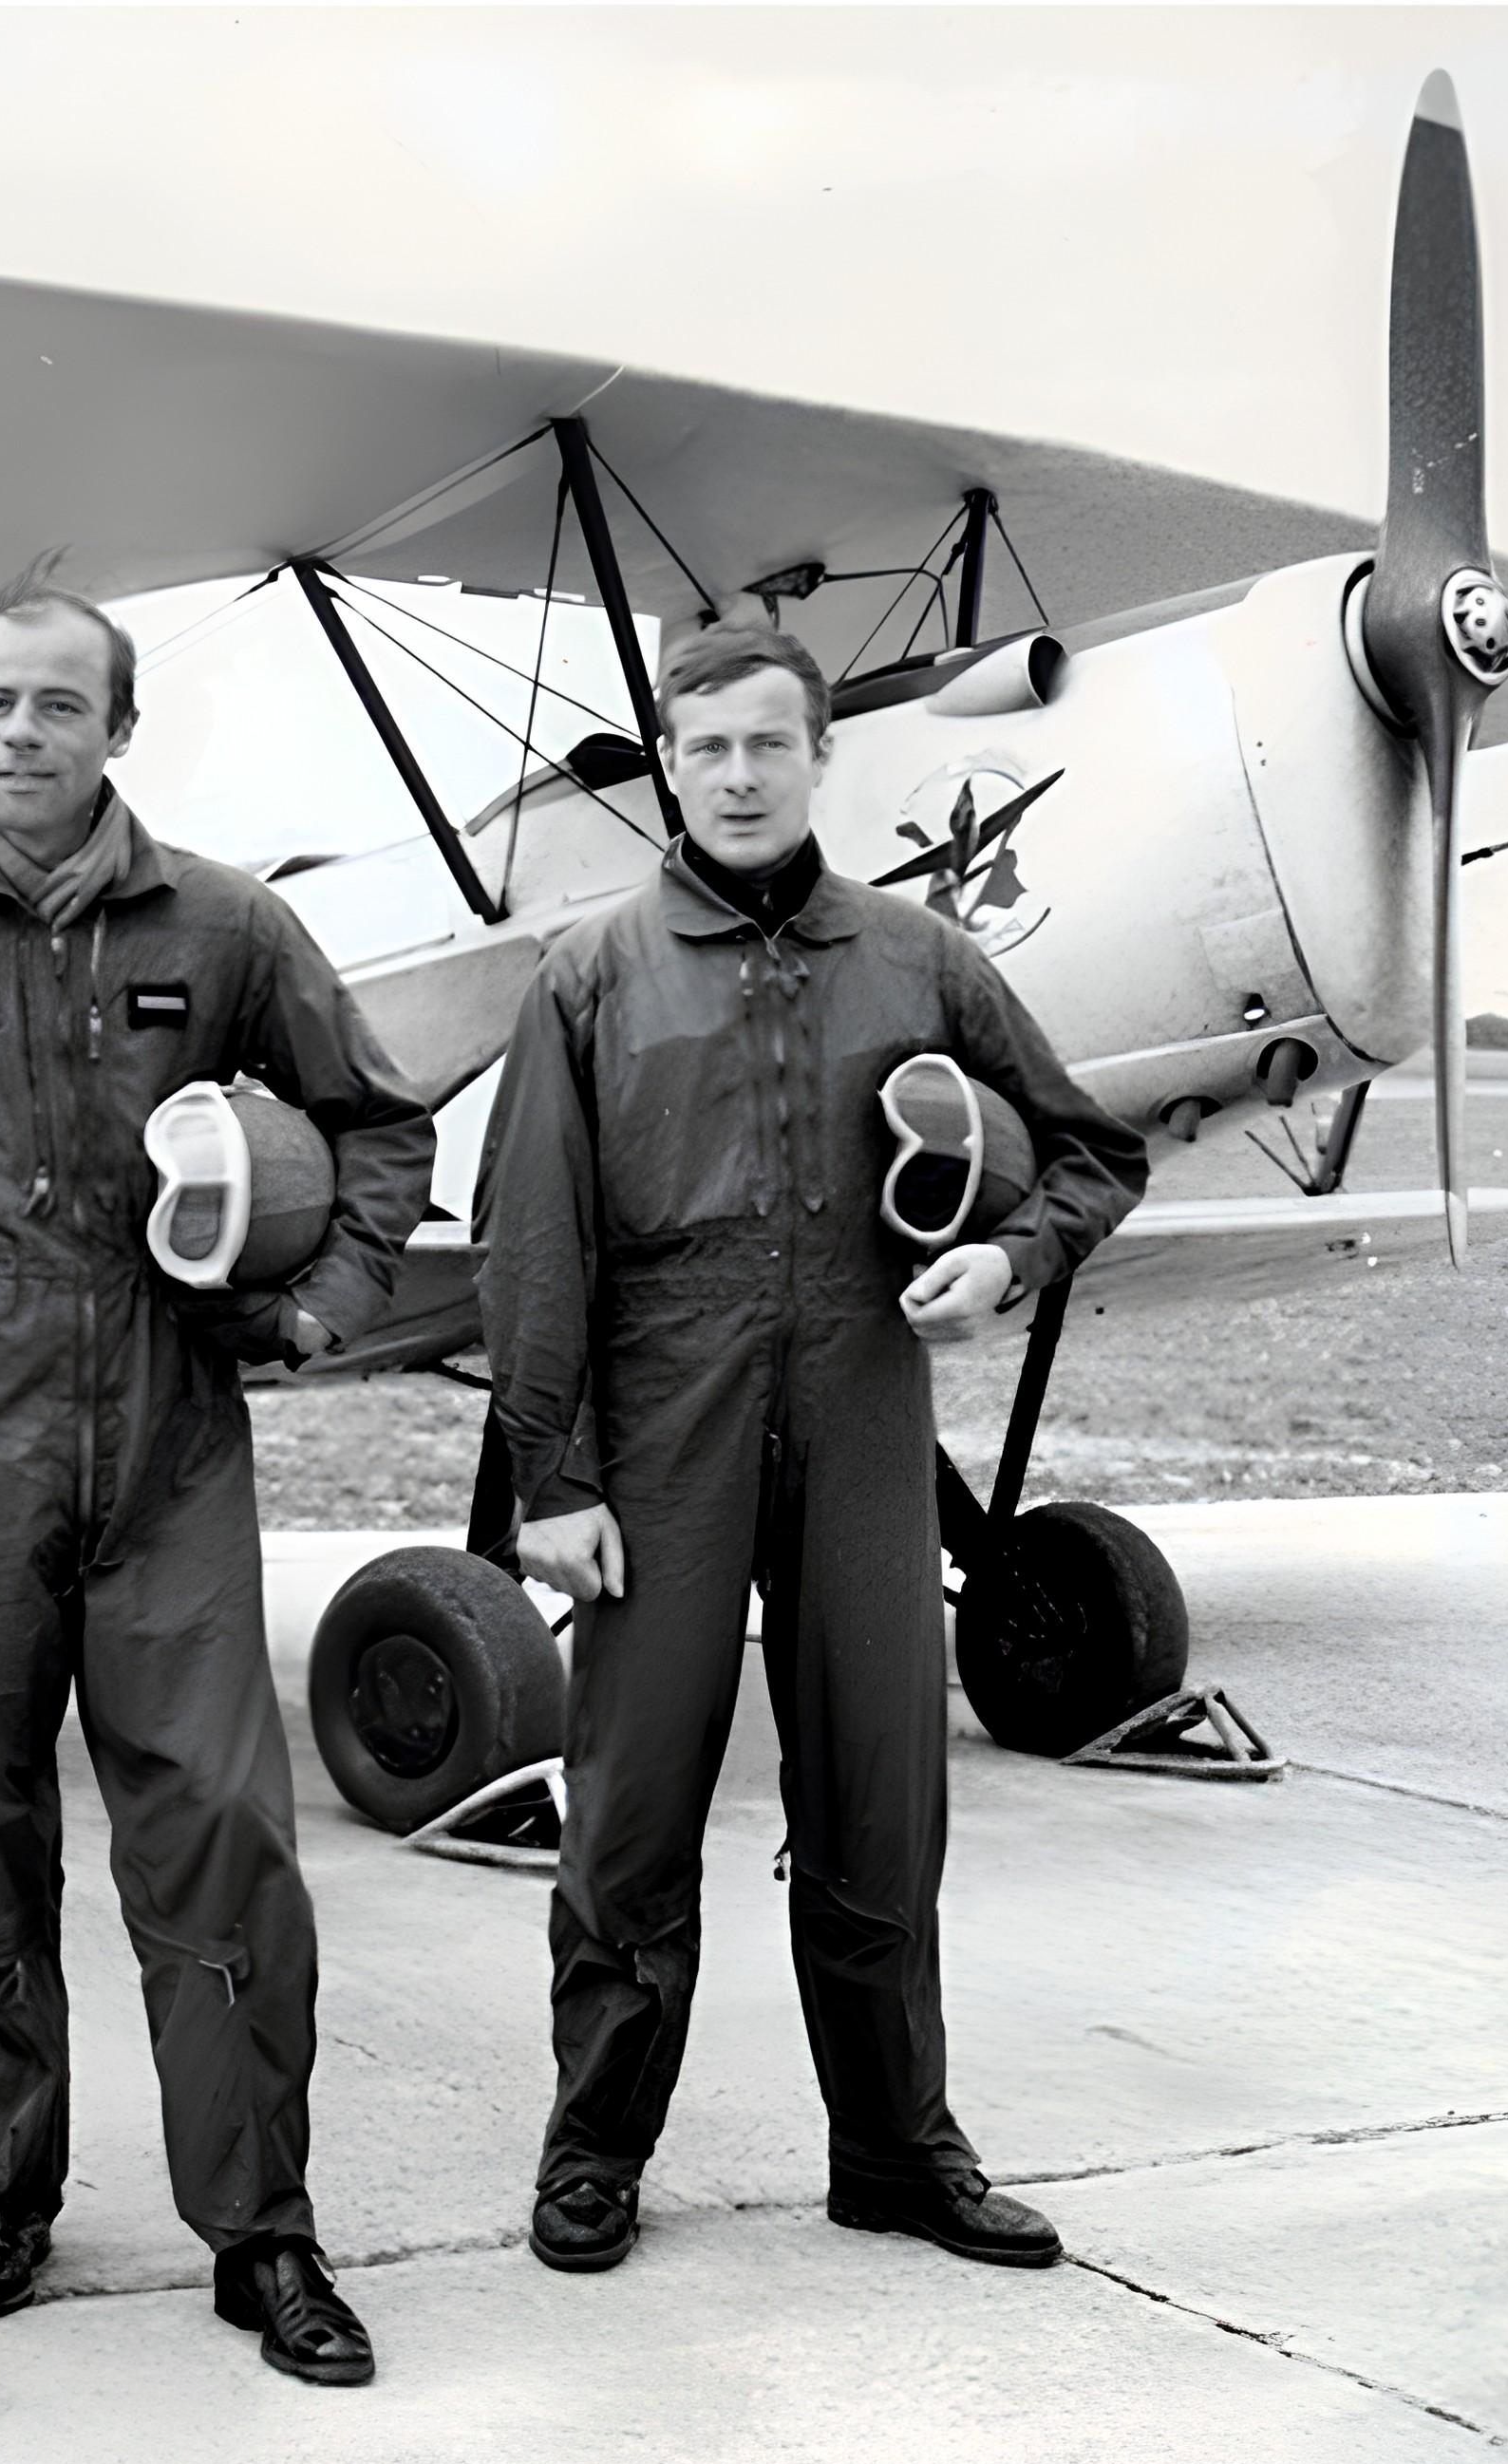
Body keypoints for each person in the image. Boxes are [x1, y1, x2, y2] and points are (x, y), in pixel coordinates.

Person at [0, 571, 436, 2385]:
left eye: (60, 706)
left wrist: (323, 1300)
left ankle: (261, 2231)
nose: (22, 736)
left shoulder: (228, 923)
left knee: (221, 1826)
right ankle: (4, 2196)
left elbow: (377, 1122)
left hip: (173, 1415)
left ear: (121, 729)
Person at [477, 622, 1149, 2278]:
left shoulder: (920, 961)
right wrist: (551, 1481)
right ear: (671, 763)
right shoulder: (591, 977)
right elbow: (530, 1241)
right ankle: (593, 2153)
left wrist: (1008, 1261)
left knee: (881, 1794)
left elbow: (1089, 1150)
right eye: (704, 750)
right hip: (662, 1432)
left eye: (768, 745)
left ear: (821, 755)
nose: (738, 776)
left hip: (861, 1405)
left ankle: (898, 2150)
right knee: (631, 1806)